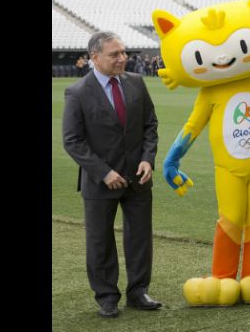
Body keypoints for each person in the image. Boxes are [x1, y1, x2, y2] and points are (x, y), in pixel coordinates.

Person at [62, 32, 161, 318]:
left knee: (140, 237)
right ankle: (106, 297)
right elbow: (72, 140)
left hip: (138, 178)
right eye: (115, 54)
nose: (123, 58)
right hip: (100, 182)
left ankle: (138, 291)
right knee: (100, 241)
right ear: (95, 58)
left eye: (123, 53)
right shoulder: (78, 92)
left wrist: (147, 159)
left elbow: (150, 125)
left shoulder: (137, 83)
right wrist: (104, 173)